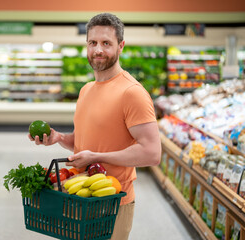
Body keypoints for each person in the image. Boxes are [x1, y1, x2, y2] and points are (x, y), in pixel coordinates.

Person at [29, 12, 161, 240]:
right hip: (78, 195)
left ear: (121, 46)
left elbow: (152, 153)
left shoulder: (132, 93)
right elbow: (86, 142)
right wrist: (59, 138)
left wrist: (96, 156)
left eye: (106, 43)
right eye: (93, 43)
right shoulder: (86, 90)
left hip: (111, 202)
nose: (98, 50)